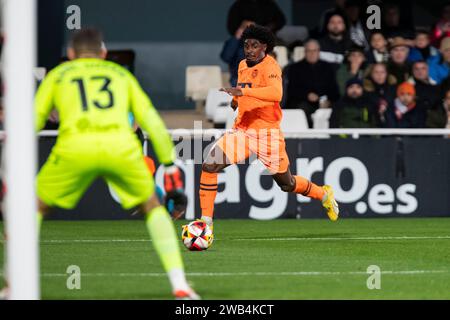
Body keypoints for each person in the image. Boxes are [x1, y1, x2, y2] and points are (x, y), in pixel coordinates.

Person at [16, 28, 198, 300]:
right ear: (103, 53)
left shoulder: (58, 75)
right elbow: (150, 120)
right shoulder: (120, 74)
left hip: (74, 147)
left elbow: (31, 120)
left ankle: (16, 286)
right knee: (152, 206)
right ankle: (180, 285)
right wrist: (170, 164)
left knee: (33, 208)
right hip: (120, 147)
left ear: (70, 54)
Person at [198, 25, 339, 232]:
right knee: (210, 166)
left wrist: (242, 94)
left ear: (264, 46)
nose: (249, 49)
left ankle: (323, 194)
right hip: (243, 131)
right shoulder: (242, 65)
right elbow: (243, 89)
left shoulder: (271, 66)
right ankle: (205, 223)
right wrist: (236, 101)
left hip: (267, 135)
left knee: (286, 184)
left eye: (254, 45)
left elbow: (275, 94)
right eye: (246, 45)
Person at [284, 39, 340, 127]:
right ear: (305, 52)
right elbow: (292, 90)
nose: (312, 53)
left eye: (314, 50)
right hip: (302, 102)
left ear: (319, 52)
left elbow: (334, 89)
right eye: (309, 51)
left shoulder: (328, 68)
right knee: (302, 108)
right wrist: (307, 95)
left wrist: (328, 100)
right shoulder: (294, 68)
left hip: (325, 102)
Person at [221, 20, 254, 87]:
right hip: (238, 79)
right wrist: (236, 38)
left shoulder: (261, 44)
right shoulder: (235, 43)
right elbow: (226, 57)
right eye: (245, 28)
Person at [363, 63, 397, 127]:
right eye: (376, 72)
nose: (379, 75)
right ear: (371, 74)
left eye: (382, 72)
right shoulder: (364, 91)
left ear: (387, 74)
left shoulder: (393, 89)